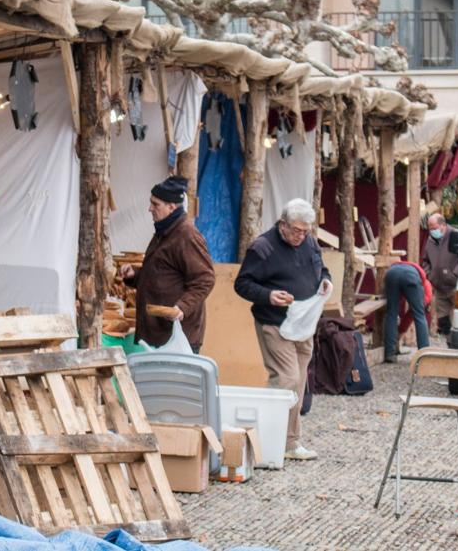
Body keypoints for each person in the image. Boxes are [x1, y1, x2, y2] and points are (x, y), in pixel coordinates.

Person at [234, 198, 332, 461]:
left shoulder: (310, 241)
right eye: (297, 230)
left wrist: (325, 281)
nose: (301, 235)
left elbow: (321, 267)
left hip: (304, 322)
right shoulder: (262, 248)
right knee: (286, 378)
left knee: (298, 382)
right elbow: (242, 284)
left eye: (306, 230)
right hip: (274, 322)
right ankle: (266, 439)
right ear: (283, 224)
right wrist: (268, 295)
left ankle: (289, 442)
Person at [119, 176, 215, 353]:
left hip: (179, 336)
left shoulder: (186, 235)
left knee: (173, 381)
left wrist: (182, 307)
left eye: (156, 204)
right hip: (159, 333)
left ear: (171, 207)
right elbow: (163, 273)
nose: (150, 209)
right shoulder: (164, 232)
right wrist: (136, 274)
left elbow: (205, 279)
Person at [421, 212, 458, 339]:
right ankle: (447, 344)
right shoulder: (430, 240)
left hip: (455, 286)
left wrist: (455, 274)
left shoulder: (457, 235)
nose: (432, 231)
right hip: (439, 287)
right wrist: (429, 275)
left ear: (443, 225)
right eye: (430, 228)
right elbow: (425, 260)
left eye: (434, 228)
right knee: (443, 320)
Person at [383, 261, 432, 363]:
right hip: (410, 276)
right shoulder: (426, 285)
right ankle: (424, 355)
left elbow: (409, 313)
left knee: (391, 313)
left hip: (391, 273)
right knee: (420, 315)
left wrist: (400, 330)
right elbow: (416, 311)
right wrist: (401, 330)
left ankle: (389, 354)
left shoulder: (402, 266)